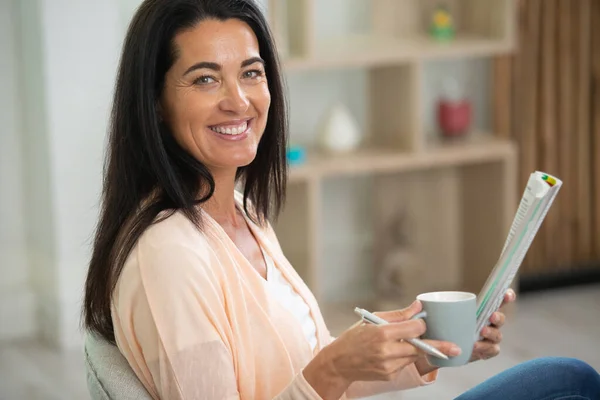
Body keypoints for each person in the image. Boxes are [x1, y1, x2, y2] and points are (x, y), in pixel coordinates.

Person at [82, 0, 600, 399]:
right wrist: (332, 368)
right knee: (567, 382)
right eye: (205, 78)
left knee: (564, 377)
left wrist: (425, 349)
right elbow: (320, 379)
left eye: (251, 72)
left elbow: (304, 376)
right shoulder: (169, 256)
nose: (238, 100)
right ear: (155, 103)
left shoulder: (240, 209)